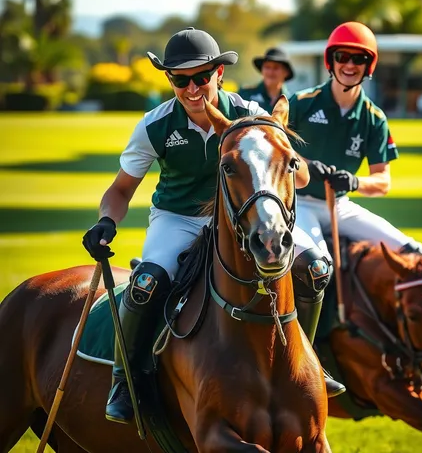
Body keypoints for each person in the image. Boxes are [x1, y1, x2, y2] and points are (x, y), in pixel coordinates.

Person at [82, 27, 344, 425]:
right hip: (179, 219)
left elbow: (299, 177)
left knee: (316, 269)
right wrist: (105, 221)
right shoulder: (154, 126)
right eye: (180, 79)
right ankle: (126, 378)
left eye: (201, 77)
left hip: (244, 220)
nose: (192, 88)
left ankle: (306, 361)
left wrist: (284, 154)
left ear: (219, 74)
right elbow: (120, 190)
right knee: (146, 283)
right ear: (169, 79)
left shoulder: (248, 116)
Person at [287, 21, 422, 366]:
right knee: (317, 267)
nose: (349, 65)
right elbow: (276, 151)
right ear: (331, 60)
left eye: (358, 59)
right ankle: (306, 357)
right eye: (342, 56)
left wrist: (353, 181)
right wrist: (307, 167)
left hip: (340, 204)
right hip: (299, 204)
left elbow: (383, 182)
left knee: (416, 253)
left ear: (368, 67)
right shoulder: (301, 103)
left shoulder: (374, 118)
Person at [238, 47, 294, 111]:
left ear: (286, 72)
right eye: (267, 67)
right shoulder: (245, 95)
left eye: (276, 67)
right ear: (262, 70)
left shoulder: (291, 102)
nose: (270, 72)